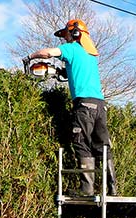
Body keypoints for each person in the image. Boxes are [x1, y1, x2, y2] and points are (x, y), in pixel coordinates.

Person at [24, 19, 117, 196]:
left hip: (84, 105)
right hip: (100, 105)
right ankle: (112, 188)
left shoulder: (72, 48)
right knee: (102, 146)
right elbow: (73, 72)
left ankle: (87, 188)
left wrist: (30, 56)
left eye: (66, 34)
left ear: (75, 33)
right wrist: (58, 72)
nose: (64, 38)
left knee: (81, 142)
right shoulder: (89, 55)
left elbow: (48, 53)